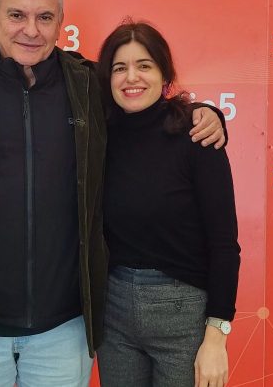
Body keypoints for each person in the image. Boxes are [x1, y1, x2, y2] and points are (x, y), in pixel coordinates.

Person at [0, 0, 226, 387]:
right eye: (17, 15)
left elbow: (145, 106)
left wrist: (205, 113)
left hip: (62, 330)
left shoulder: (88, 85)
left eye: (44, 17)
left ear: (60, 24)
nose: (31, 30)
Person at [96, 21, 241, 387]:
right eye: (119, 67)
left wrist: (216, 338)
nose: (132, 77)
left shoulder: (196, 134)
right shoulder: (97, 136)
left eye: (144, 65)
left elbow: (224, 245)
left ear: (164, 75)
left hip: (183, 314)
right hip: (113, 313)